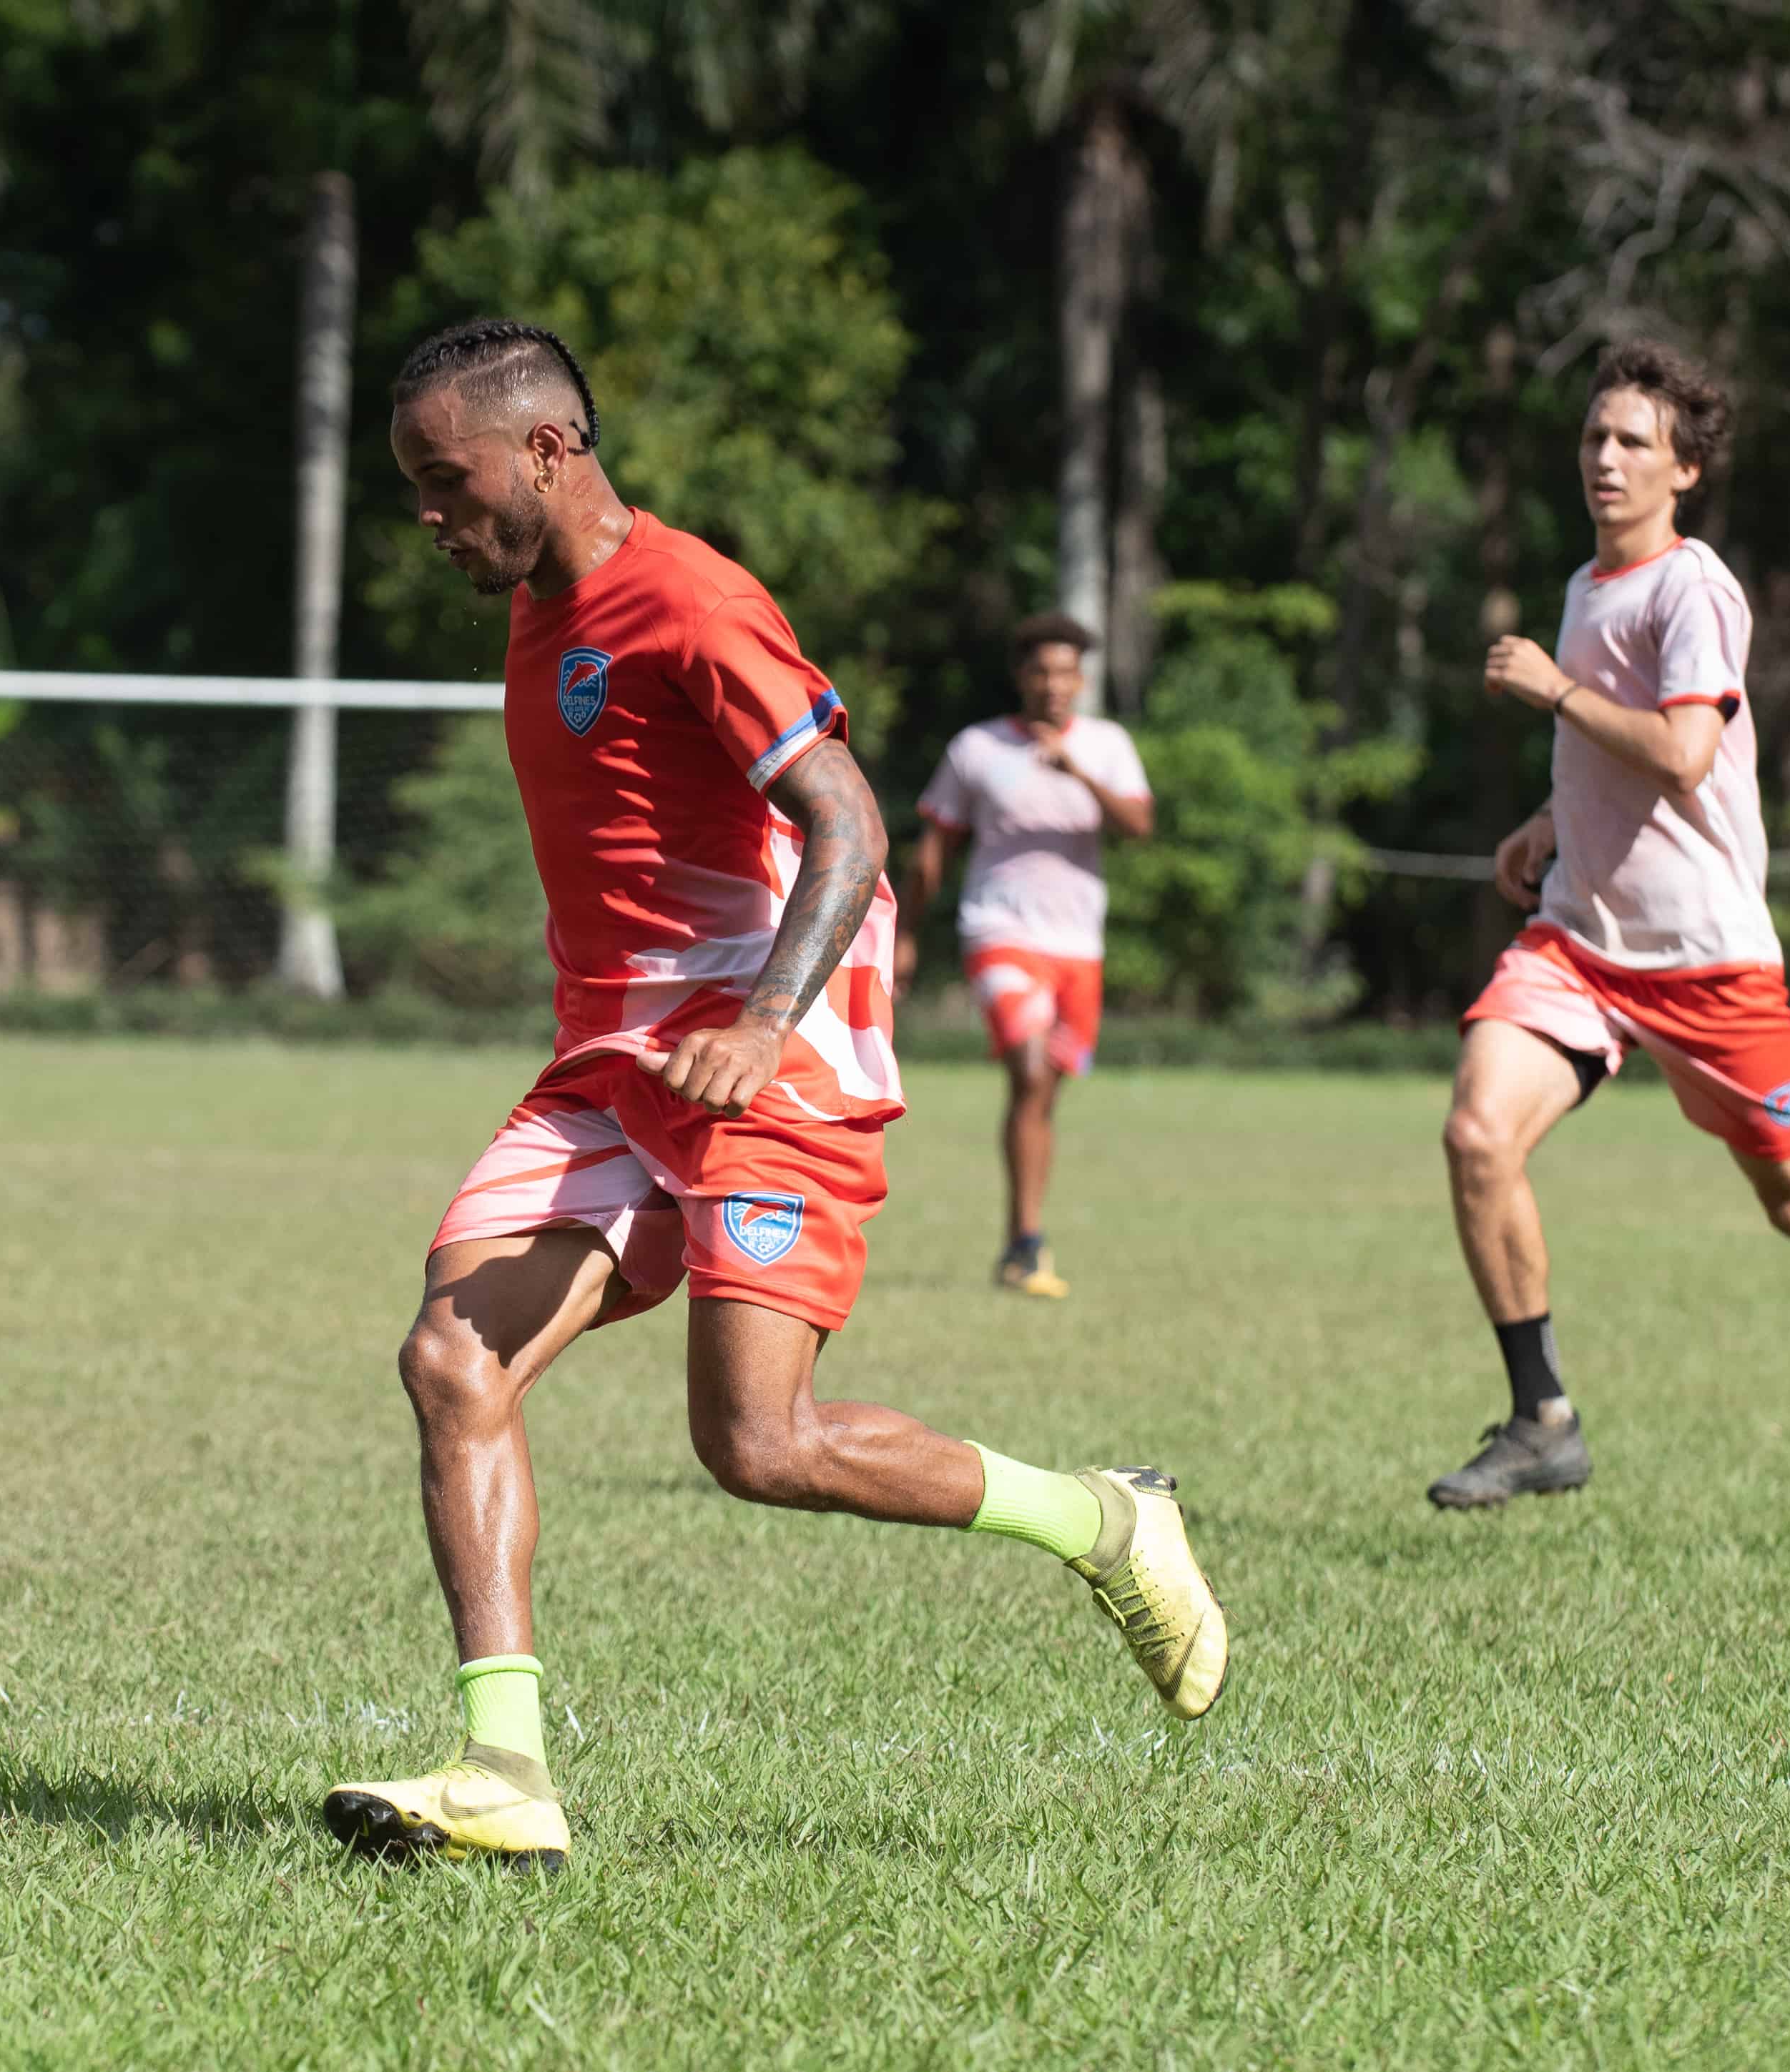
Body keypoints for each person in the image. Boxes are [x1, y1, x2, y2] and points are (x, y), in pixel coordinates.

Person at [319, 320, 1229, 1870]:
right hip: (610, 1069)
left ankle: (1104, 1518)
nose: (427, 515)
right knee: (451, 1362)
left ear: (546, 451)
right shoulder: (540, 615)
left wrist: (757, 1018)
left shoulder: (691, 600)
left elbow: (847, 828)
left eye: (444, 478)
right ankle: (505, 1770)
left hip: (768, 1059)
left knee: (759, 1445)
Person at [1432, 339, 1790, 1518]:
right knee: (1477, 1136)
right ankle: (1541, 1416)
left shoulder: (1691, 587)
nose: (1605, 457)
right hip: (1580, 946)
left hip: (1706, 966)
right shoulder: (1585, 587)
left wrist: (1552, 690)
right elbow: (1622, 754)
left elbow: (1688, 751)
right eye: (1595, 436)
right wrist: (1551, 819)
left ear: (1684, 470)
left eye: (1633, 441)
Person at [899, 612, 1154, 1298]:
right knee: (1031, 1071)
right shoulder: (976, 749)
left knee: (1040, 1093)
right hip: (999, 930)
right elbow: (934, 850)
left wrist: (1077, 773)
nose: (1053, 683)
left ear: (1082, 679)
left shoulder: (1106, 744)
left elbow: (1138, 825)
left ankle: (1018, 1246)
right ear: (1020, 676)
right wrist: (904, 935)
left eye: (1067, 671)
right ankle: (1027, 1240)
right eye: (1040, 670)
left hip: (1078, 944)